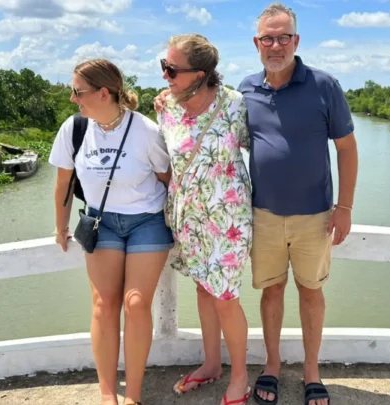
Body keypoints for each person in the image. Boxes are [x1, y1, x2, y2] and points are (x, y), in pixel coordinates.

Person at [241, 4, 358, 405]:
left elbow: (347, 148)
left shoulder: (324, 85)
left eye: (284, 37)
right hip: (264, 214)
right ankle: (271, 365)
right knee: (271, 291)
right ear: (257, 43)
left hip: (315, 216)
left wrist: (345, 208)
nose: (276, 45)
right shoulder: (245, 90)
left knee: (311, 292)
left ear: (297, 41)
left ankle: (311, 371)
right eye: (268, 38)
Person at [49, 58, 174, 405]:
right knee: (104, 305)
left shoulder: (145, 131)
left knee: (136, 304)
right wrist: (61, 228)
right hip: (100, 221)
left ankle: (132, 394)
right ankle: (108, 394)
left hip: (146, 220)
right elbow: (63, 184)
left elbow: (168, 180)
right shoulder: (74, 129)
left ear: (104, 93)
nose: (74, 98)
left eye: (79, 92)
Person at [157, 34, 252, 405]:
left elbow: (265, 148)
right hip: (189, 220)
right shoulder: (165, 106)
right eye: (163, 67)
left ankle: (240, 377)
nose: (166, 76)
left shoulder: (235, 105)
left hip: (227, 219)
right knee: (203, 289)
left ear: (200, 74)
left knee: (226, 297)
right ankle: (211, 363)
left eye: (172, 70)